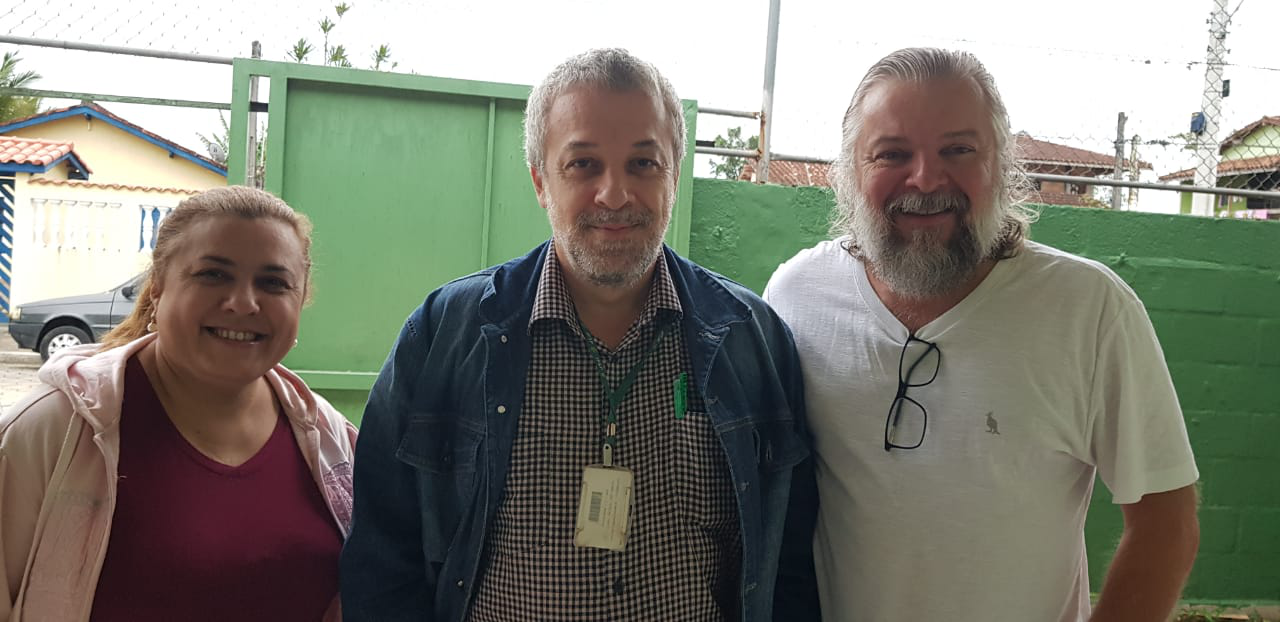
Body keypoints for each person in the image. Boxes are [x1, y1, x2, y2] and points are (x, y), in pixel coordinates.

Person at [340, 48, 818, 622]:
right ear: (541, 182)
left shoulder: (752, 340)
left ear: (674, 174)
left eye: (643, 164)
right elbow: (383, 558)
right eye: (583, 164)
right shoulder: (444, 335)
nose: (614, 194)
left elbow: (788, 563)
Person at [764, 47, 1199, 622]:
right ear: (849, 171)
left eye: (957, 150)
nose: (925, 178)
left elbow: (1165, 520)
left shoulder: (1089, 310)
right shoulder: (797, 296)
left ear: (1001, 163)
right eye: (892, 153)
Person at [0, 186, 357, 622]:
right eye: (213, 274)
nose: (243, 303)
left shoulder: (331, 440)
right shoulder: (54, 432)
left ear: (300, 302)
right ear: (157, 288)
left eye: (273, 283)